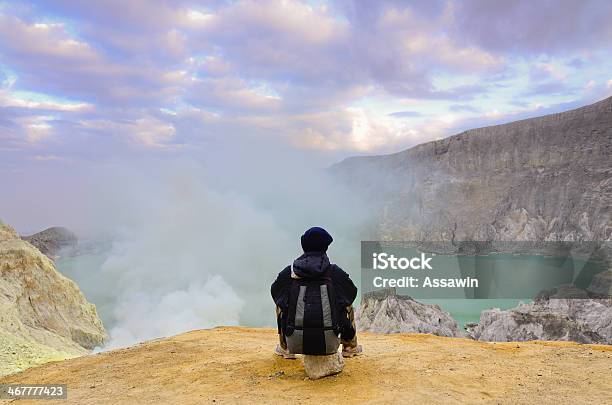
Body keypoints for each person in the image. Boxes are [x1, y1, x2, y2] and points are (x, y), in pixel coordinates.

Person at [271, 226, 362, 359]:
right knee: (346, 303)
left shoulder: (290, 272)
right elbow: (352, 293)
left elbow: (275, 292)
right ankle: (349, 347)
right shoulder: (334, 272)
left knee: (281, 302)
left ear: (304, 246)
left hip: (295, 343)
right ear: (325, 247)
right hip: (329, 343)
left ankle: (285, 348)